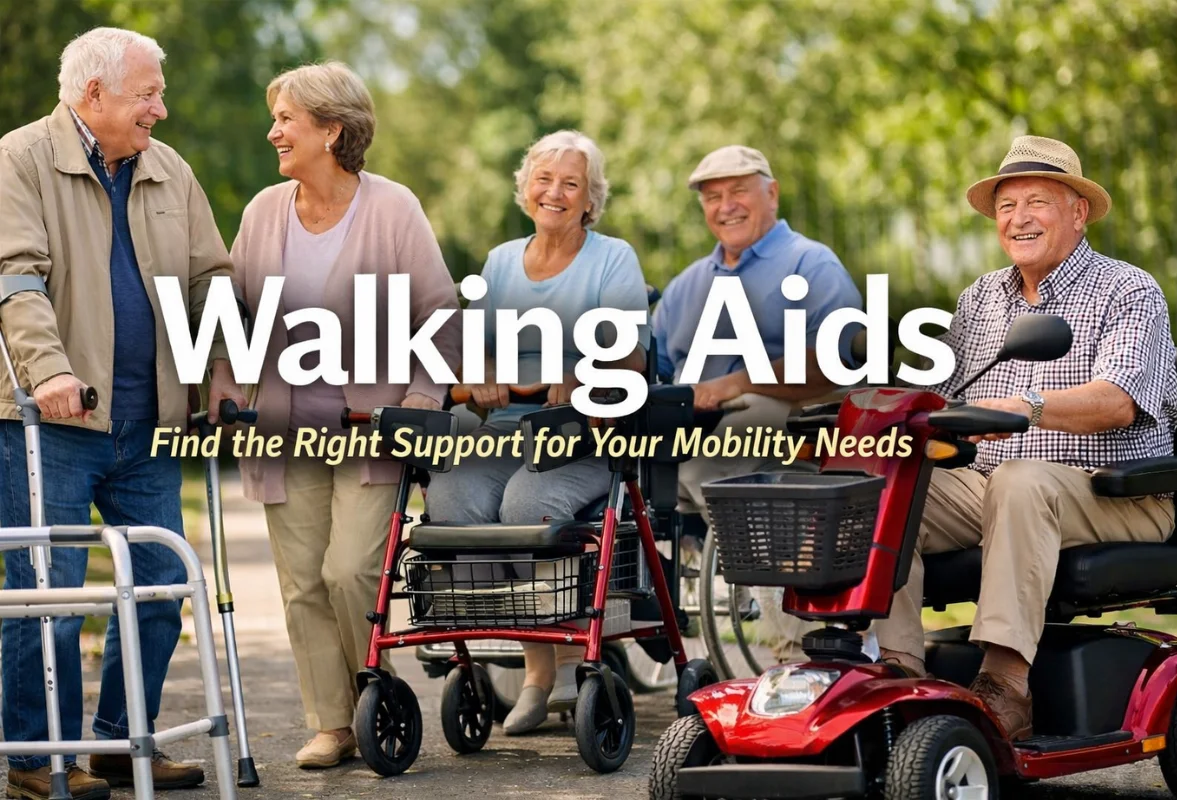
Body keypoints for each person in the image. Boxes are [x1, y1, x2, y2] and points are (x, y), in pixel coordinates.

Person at [0, 27, 244, 799]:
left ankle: (112, 742)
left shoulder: (167, 169)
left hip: (149, 420)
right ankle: (38, 759)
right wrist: (51, 373)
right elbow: (16, 281)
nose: (161, 112)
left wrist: (225, 366)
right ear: (93, 93)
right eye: (148, 95)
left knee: (164, 587)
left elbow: (211, 278)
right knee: (52, 596)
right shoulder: (18, 160)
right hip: (49, 424)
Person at [873, 135, 1177, 740]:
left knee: (1021, 478)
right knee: (884, 480)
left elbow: (1118, 402)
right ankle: (897, 670)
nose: (1018, 218)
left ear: (1078, 211)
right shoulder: (979, 299)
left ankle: (1005, 682)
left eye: (1037, 201)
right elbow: (951, 403)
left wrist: (1027, 407)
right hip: (996, 485)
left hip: (1118, 494)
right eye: (1007, 206)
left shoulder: (1129, 290)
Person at [231, 62, 462, 769]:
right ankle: (332, 724)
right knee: (301, 581)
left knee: (348, 572)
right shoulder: (263, 212)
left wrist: (422, 397)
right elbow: (232, 315)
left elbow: (439, 312)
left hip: (371, 432)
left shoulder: (391, 208)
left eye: (286, 119)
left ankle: (373, 693)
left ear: (332, 130)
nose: (273, 132)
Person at [424, 130, 649, 735]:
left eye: (571, 183)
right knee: (448, 501)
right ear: (526, 189)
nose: (555, 192)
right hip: (503, 432)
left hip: (584, 435)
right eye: (544, 180)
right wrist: (485, 376)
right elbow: (469, 354)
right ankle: (508, 651)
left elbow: (630, 355)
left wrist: (579, 375)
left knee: (528, 503)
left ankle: (546, 672)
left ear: (589, 200)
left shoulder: (612, 259)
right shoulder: (500, 262)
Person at [652, 145, 863, 524]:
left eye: (738, 191)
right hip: (686, 419)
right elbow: (653, 368)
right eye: (713, 197)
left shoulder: (811, 264)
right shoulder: (686, 284)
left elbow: (835, 362)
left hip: (775, 416)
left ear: (772, 194)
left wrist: (733, 385)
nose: (726, 206)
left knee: (724, 444)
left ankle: (732, 572)